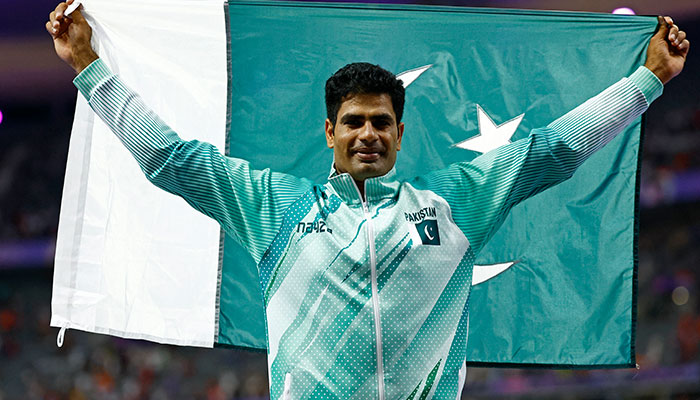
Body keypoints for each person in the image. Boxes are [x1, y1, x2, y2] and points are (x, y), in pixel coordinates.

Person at [47, 1, 689, 399]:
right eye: (353, 121)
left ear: (400, 133)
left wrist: (647, 81)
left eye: (381, 122)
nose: (368, 134)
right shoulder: (272, 205)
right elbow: (171, 160)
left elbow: (552, 149)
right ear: (330, 131)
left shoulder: (457, 201)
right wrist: (90, 71)